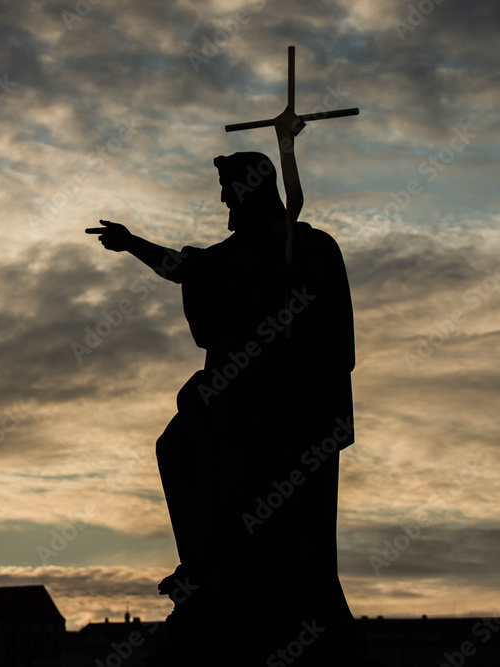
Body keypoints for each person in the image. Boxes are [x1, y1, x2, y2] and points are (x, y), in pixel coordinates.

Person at [86, 152, 363, 665]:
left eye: (228, 188)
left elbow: (333, 336)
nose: (221, 199)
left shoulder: (309, 247)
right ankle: (207, 568)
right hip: (231, 394)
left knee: (261, 492)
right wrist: (131, 244)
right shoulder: (232, 255)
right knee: (178, 445)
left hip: (286, 403)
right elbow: (186, 269)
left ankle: (241, 583)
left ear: (250, 190)